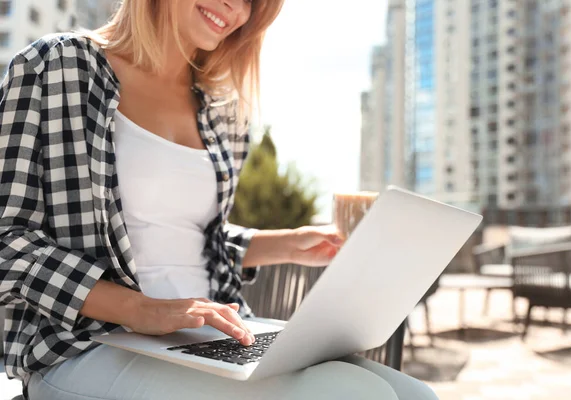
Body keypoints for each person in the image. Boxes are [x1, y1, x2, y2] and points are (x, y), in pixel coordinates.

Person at [0, 0, 439, 399]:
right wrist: (140, 309)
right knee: (354, 394)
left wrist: (285, 243)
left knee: (415, 395)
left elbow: (181, 235)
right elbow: (7, 242)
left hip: (213, 336)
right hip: (84, 346)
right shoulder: (54, 67)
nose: (237, 9)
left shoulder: (220, 109)